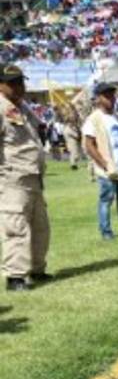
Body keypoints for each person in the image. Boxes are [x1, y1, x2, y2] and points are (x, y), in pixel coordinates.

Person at [0, 64, 50, 292]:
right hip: (12, 178)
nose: (19, 87)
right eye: (12, 83)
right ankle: (16, 276)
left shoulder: (21, 107)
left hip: (33, 175)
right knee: (16, 226)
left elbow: (37, 132)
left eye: (21, 81)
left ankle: (37, 269)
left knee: (40, 226)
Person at [82, 81, 118, 240]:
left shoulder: (117, 117)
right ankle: (106, 232)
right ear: (97, 98)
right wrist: (104, 165)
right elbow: (89, 145)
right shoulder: (94, 119)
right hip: (107, 169)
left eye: (112, 95)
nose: (111, 98)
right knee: (106, 200)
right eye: (106, 96)